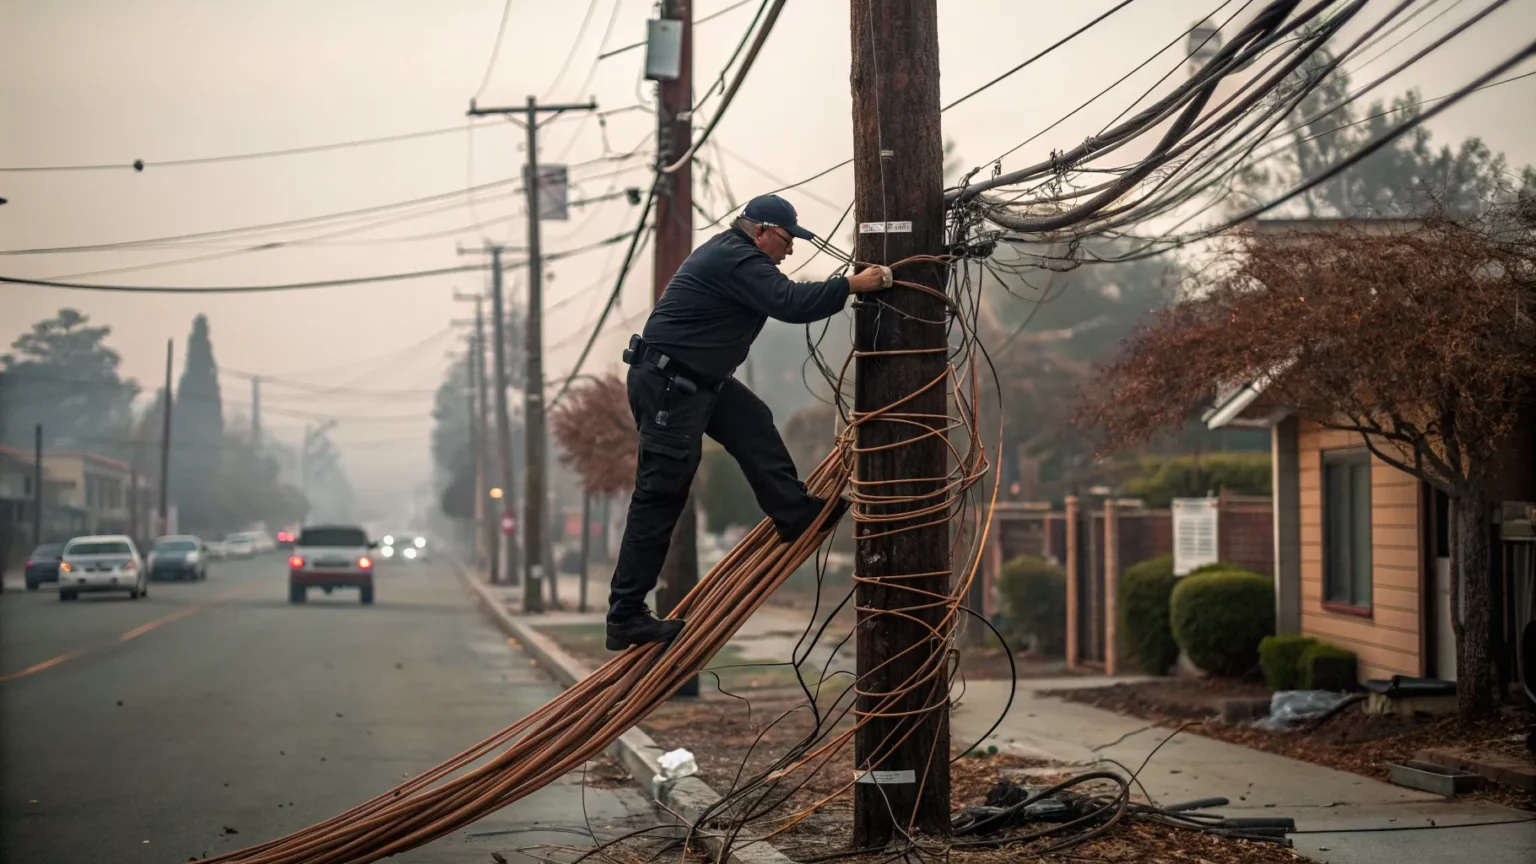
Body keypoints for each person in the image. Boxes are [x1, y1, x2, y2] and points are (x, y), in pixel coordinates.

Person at [606, 194, 892, 650]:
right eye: (786, 240)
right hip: (668, 385)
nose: (790, 250)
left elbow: (785, 296)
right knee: (660, 495)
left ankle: (793, 512)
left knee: (752, 420)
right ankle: (625, 615)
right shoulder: (735, 258)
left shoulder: (740, 256)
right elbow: (790, 303)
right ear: (760, 231)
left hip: (698, 381)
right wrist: (853, 284)